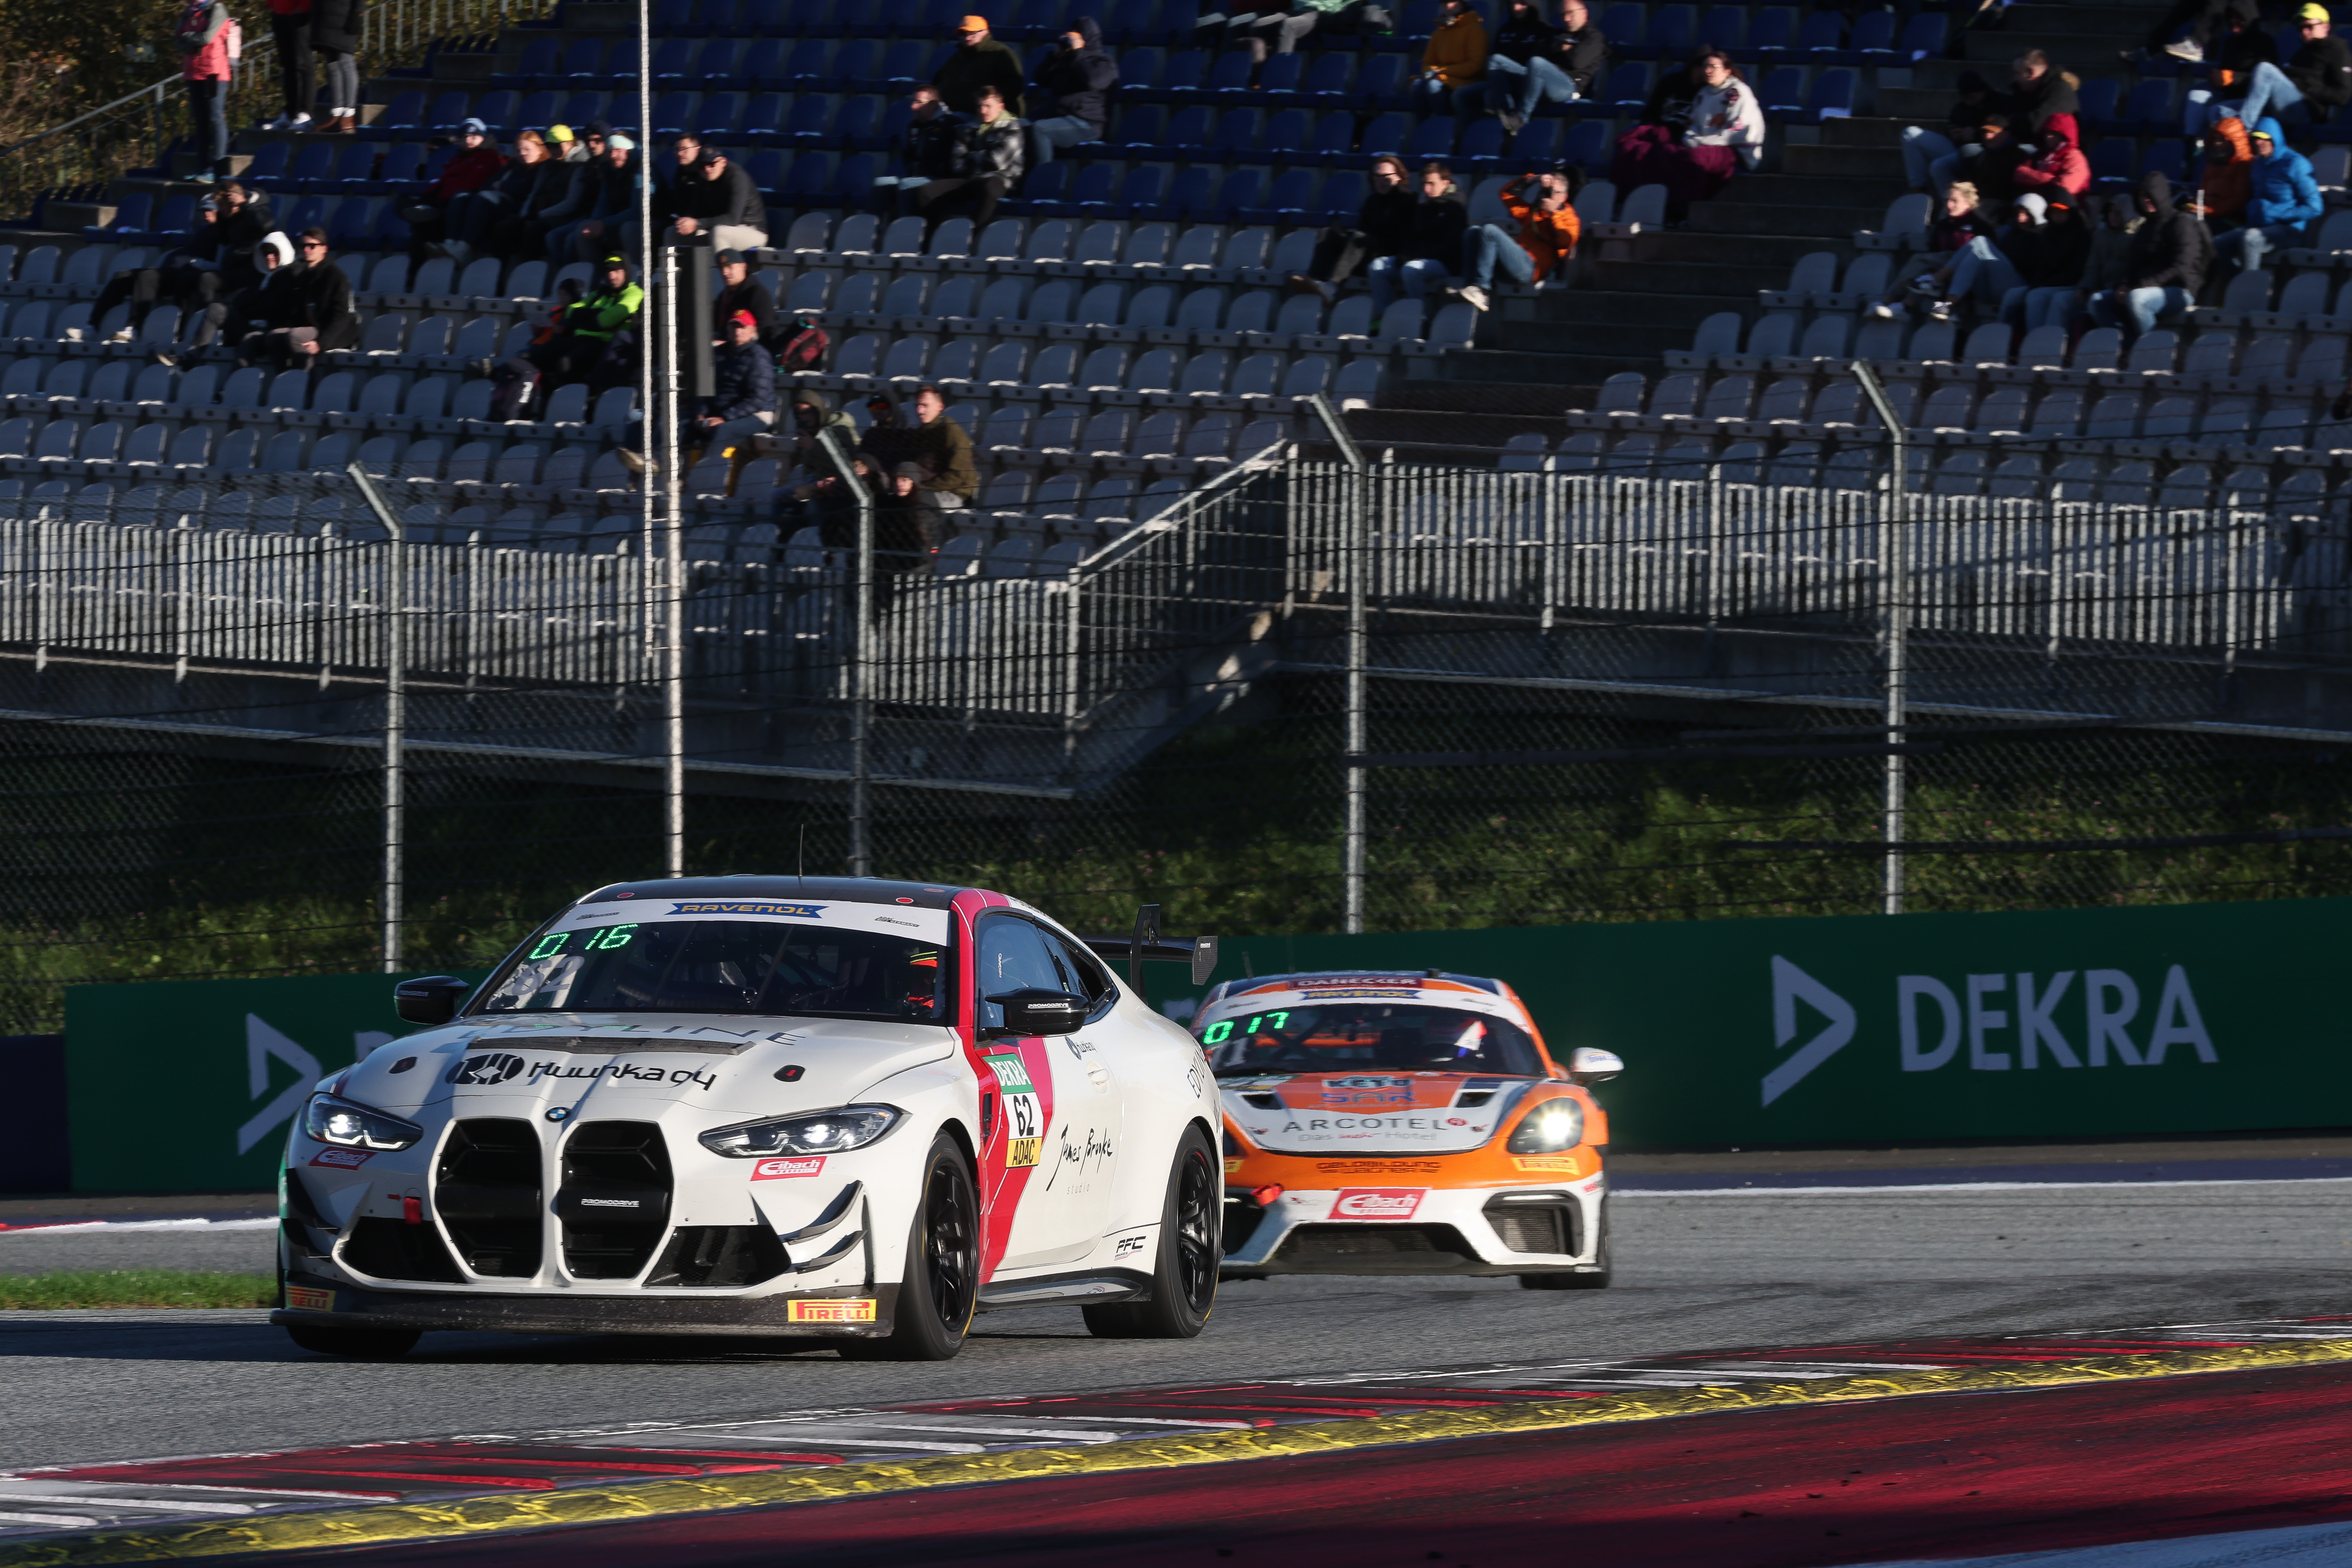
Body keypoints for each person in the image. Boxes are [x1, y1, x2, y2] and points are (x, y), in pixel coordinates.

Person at [94, 179, 269, 341]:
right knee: (121, 276)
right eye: (204, 210)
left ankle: (139, 329)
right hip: (174, 268)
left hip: (194, 272)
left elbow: (262, 221)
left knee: (150, 277)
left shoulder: (234, 224)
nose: (207, 214)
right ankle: (91, 327)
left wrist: (244, 203)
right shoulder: (213, 229)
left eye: (213, 209)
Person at [1610, 49, 1762, 215]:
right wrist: (1690, 137)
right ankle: (1652, 204)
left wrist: (1700, 141)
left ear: (1727, 71)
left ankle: (1686, 208)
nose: (1707, 71)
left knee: (1693, 159)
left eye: (1713, 67)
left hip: (1733, 148)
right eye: (1705, 66)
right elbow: (1693, 124)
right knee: (1660, 153)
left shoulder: (1737, 93)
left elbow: (1736, 132)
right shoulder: (1703, 93)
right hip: (1703, 143)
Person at [2090, 173, 2213, 339]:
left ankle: (2155, 348)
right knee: (2098, 300)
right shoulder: (2145, 228)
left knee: (2138, 300)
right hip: (2144, 288)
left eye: (2150, 196)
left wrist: (2143, 285)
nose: (2145, 200)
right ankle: (2127, 347)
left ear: (2160, 195)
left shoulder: (2181, 222)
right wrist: (2124, 285)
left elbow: (2182, 266)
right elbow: (2133, 264)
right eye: (2142, 196)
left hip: (2180, 290)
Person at [1287, 155, 1415, 302]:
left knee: (1358, 238)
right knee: (1327, 233)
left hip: (1387, 257)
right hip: (1363, 253)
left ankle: (1331, 287)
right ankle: (1315, 280)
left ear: (1399, 176)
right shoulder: (1372, 201)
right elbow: (1363, 230)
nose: (1382, 181)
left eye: (1387, 176)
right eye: (1377, 176)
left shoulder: (1409, 200)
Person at [1450, 166, 1579, 311]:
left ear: (1564, 197)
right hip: (1512, 264)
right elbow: (1506, 194)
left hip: (1531, 269)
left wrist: (1553, 214)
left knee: (1490, 231)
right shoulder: (1534, 212)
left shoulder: (1570, 218)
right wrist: (1534, 179)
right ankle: (1470, 286)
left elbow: (1564, 242)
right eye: (1545, 191)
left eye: (1553, 192)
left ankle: (1482, 290)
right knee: (1472, 232)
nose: (1547, 195)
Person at [1866, 181, 1994, 319]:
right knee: (1925, 276)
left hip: (1967, 277)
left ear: (1968, 203)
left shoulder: (1980, 227)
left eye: (1954, 201)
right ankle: (1904, 306)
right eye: (1947, 201)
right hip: (1941, 275)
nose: (1949, 205)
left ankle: (1887, 300)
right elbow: (1934, 250)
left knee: (1921, 261)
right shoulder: (1943, 226)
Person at [1481, 0, 1610, 135]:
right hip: (1542, 79)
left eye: (1571, 13)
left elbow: (1576, 62)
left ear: (1584, 13)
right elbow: (1537, 51)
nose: (1567, 19)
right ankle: (1506, 112)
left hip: (1569, 86)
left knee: (1537, 63)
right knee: (1495, 61)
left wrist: (1556, 51)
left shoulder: (1594, 37)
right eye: (1563, 15)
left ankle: (1521, 118)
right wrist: (1562, 48)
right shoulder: (1559, 34)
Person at [916, 85, 1023, 243]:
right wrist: (983, 157)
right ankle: (932, 241)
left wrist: (972, 156)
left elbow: (997, 162)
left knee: (990, 189)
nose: (983, 111)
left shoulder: (1012, 128)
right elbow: (957, 164)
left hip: (999, 179)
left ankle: (969, 240)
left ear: (1001, 107)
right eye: (980, 106)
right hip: (971, 179)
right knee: (926, 191)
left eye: (988, 106)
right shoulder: (968, 128)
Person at [2215, 117, 2321, 277]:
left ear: (2275, 138)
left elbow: (2315, 208)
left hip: (2289, 230)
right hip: (2259, 225)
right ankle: (2234, 283)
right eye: (2255, 138)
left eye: (2264, 138)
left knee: (2251, 240)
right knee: (2219, 243)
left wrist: (2276, 214)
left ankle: (2250, 286)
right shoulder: (2258, 164)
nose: (2259, 142)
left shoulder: (2296, 164)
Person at [240, 227, 356, 370]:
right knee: (274, 336)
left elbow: (342, 316)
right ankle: (283, 377)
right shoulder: (300, 276)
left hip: (327, 331)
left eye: (312, 246)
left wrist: (321, 343)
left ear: (324, 249)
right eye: (303, 246)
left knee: (295, 336)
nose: (306, 250)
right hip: (307, 328)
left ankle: (305, 379)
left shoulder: (336, 277)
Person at [1367, 161, 1469, 315]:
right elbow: (1410, 236)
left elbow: (1451, 245)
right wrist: (1404, 255)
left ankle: (1420, 316)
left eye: (1431, 184)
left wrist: (1415, 257)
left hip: (1445, 263)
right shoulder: (1423, 207)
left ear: (1446, 183)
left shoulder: (1456, 209)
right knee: (1377, 267)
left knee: (1411, 270)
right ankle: (1385, 316)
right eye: (1424, 184)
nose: (1427, 189)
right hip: (1417, 258)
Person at [529, 255, 644, 389]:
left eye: (616, 271)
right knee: (534, 357)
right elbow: (571, 310)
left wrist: (585, 318)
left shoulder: (634, 293)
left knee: (566, 365)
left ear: (626, 272)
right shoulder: (599, 293)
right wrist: (596, 314)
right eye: (608, 271)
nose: (611, 276)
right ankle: (545, 396)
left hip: (602, 343)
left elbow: (607, 320)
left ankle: (571, 400)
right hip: (578, 339)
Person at [2231, 4, 2352, 130]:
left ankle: (2243, 130)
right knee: (2221, 110)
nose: (2304, 32)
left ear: (2326, 27)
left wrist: (2310, 87)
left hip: (2306, 109)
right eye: (2301, 28)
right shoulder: (2303, 52)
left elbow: (2342, 96)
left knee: (2265, 69)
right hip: (2282, 102)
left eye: (2309, 27)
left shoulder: (2337, 50)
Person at [401, 118, 507, 261]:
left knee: (454, 202)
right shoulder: (458, 159)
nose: (468, 140)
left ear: (483, 138)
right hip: (446, 204)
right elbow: (442, 182)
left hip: (464, 209)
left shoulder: (489, 158)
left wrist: (442, 201)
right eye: (465, 137)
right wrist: (427, 197)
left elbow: (471, 185)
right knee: (409, 211)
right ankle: (416, 271)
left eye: (474, 137)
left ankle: (449, 244)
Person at [443, 128, 551, 264]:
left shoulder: (543, 168)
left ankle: (463, 247)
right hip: (498, 199)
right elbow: (488, 184)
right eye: (519, 150)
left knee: (483, 198)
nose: (522, 153)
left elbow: (524, 190)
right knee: (462, 195)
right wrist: (506, 186)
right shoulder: (513, 165)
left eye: (527, 149)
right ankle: (450, 242)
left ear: (540, 149)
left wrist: (503, 186)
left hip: (518, 208)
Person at [686, 310, 778, 460]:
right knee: (679, 424)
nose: (737, 331)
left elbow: (756, 400)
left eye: (742, 327)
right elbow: (705, 389)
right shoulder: (718, 354)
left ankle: (707, 472)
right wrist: (701, 414)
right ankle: (657, 464)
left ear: (753, 331)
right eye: (733, 326)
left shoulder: (759, 358)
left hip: (757, 414)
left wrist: (724, 418)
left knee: (723, 431)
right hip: (721, 411)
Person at [1027, 18, 1117, 167]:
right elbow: (1040, 79)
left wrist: (1079, 52)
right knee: (1016, 127)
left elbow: (1093, 81)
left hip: (1087, 124)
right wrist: (1054, 56)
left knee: (1040, 129)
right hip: (1057, 118)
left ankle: (1043, 175)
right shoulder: (1067, 61)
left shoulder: (1104, 63)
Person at [872, 385, 977, 511]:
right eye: (917, 406)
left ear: (940, 407)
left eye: (925, 406)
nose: (919, 411)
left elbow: (958, 476)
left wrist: (922, 488)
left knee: (916, 504)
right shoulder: (920, 433)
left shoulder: (952, 433)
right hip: (923, 490)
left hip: (953, 493)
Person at [1195, 0, 1394, 63]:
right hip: (1298, 10)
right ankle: (1252, 67)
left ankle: (1279, 75)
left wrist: (1326, 9)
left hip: (1321, 13)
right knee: (1257, 26)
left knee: (1288, 26)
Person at [195, 229, 292, 356]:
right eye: (266, 253)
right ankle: (191, 357)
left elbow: (269, 307)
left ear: (284, 252)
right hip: (248, 326)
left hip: (268, 333)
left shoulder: (290, 277)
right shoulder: (259, 275)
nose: (269, 257)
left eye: (274, 252)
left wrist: (250, 302)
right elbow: (241, 301)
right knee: (216, 309)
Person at [2182, 9, 2278, 135]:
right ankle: (2191, 140)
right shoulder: (2230, 42)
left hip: (2252, 101)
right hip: (2229, 94)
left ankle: (2221, 143)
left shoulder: (2266, 42)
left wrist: (2231, 78)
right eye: (2232, 24)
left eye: (2239, 24)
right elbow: (2225, 72)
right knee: (2195, 95)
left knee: (2217, 111)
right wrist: (2218, 79)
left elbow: (2265, 78)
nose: (2235, 29)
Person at [1900, 71, 1995, 193]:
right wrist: (1953, 133)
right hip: (1955, 149)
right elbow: (1950, 125)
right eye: (1965, 98)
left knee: (1938, 166)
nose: (1969, 101)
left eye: (1972, 97)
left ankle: (1954, 202)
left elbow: (2000, 132)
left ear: (1981, 91)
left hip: (1979, 152)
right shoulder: (1961, 107)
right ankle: (1918, 192)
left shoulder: (1997, 103)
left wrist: (1976, 134)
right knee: (1910, 133)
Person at [875, 86, 966, 214]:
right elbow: (907, 155)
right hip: (915, 177)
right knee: (881, 183)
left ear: (933, 105)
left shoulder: (951, 125)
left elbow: (955, 160)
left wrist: (932, 169)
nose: (913, 107)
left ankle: (907, 225)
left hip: (939, 179)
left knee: (906, 184)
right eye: (913, 102)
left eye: (919, 102)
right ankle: (872, 224)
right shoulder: (913, 126)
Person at [2010, 195, 2091, 329]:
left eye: (2062, 212)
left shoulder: (2082, 234)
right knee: (2017, 295)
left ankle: (2049, 340)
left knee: (2045, 298)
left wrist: (2045, 284)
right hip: (2050, 284)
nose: (2058, 216)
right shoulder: (2047, 234)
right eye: (2054, 212)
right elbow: (2042, 264)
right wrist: (2037, 284)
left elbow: (2078, 270)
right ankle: (2027, 337)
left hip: (2074, 285)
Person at [176, 0, 235, 185]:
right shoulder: (188, 11)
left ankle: (216, 169)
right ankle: (201, 168)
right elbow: (176, 39)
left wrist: (188, 37)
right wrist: (189, 41)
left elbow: (207, 38)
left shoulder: (217, 8)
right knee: (200, 120)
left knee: (215, 117)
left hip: (213, 72)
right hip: (193, 73)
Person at [668, 145, 767, 252]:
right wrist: (685, 222)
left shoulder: (737, 177)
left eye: (712, 164)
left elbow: (732, 219)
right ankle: (672, 263)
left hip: (752, 231)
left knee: (719, 233)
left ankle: (719, 264)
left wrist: (697, 224)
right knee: (672, 232)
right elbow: (695, 212)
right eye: (702, 166)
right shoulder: (703, 180)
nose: (707, 169)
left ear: (723, 162)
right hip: (717, 229)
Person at [564, 133, 639, 265]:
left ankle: (636, 272)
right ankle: (594, 273)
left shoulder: (643, 171)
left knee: (629, 229)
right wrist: (595, 223)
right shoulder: (608, 171)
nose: (613, 156)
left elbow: (638, 211)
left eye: (617, 150)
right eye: (610, 151)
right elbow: (603, 203)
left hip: (646, 224)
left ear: (629, 151)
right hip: (617, 222)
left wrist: (603, 223)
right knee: (584, 229)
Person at [933, 15, 1026, 117]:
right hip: (952, 111)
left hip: (985, 115)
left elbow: (1013, 88)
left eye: (972, 33)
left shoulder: (1001, 54)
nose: (967, 38)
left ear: (986, 32)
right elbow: (938, 81)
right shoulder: (957, 56)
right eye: (963, 34)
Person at [1414, 0, 1489, 117]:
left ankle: (1443, 123)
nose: (1447, 6)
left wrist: (1442, 72)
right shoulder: (1438, 33)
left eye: (1452, 1)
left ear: (1463, 4)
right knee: (1417, 85)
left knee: (1433, 86)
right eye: (1444, 2)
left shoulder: (1475, 30)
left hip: (1466, 82)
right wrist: (1432, 74)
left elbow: (1475, 66)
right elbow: (1427, 64)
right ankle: (1423, 126)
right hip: (1441, 78)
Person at [2008, 113, 2090, 200]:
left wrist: (2034, 181)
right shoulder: (2040, 154)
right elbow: (2019, 174)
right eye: (2047, 133)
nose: (2048, 137)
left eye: (2054, 133)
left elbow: (2065, 189)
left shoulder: (2075, 157)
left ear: (2065, 135)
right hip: (2035, 201)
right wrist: (2049, 179)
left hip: (2063, 206)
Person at [310, 0, 363, 132]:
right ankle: (337, 114)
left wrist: (357, 15)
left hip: (345, 21)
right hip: (324, 21)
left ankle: (348, 115)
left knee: (346, 63)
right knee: (333, 66)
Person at [713, 249, 781, 346]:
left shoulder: (757, 294)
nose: (725, 272)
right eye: (721, 268)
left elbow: (766, 331)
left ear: (744, 267)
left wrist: (728, 344)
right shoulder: (724, 296)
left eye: (730, 267)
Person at [264, 0, 314, 131]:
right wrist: (272, 6)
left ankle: (305, 113)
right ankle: (290, 112)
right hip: (280, 14)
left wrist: (303, 8)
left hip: (299, 14)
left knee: (303, 64)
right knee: (287, 65)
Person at [2004, 50, 2079, 137]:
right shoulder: (2025, 91)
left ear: (2031, 72)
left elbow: (2037, 124)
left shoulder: (2060, 91)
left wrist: (2012, 120)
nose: (2015, 78)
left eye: (2018, 73)